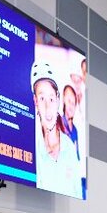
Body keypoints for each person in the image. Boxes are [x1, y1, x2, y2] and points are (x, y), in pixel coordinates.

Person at [31, 62, 81, 198]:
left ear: (58, 100)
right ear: (35, 101)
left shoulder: (70, 148)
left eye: (52, 99)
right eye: (42, 98)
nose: (48, 107)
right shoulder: (32, 149)